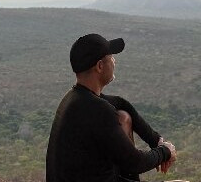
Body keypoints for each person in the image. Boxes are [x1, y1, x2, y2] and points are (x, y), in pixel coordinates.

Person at [45, 33, 180, 182]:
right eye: (111, 57)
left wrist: (156, 140)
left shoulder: (76, 98)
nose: (114, 61)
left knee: (124, 116)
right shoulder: (97, 109)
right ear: (100, 66)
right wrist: (165, 151)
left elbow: (121, 104)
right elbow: (135, 162)